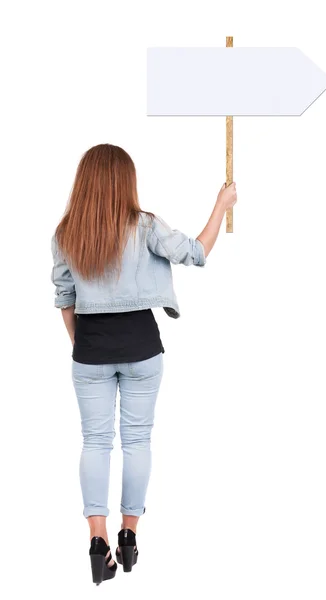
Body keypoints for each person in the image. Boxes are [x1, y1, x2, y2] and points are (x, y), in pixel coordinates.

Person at [51, 143, 237, 583]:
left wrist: (84, 346)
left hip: (91, 351)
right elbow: (197, 252)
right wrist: (221, 204)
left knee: (95, 442)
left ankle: (97, 540)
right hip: (142, 349)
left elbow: (64, 300)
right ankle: (129, 536)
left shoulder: (66, 233)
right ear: (126, 181)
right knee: (137, 441)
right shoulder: (146, 226)